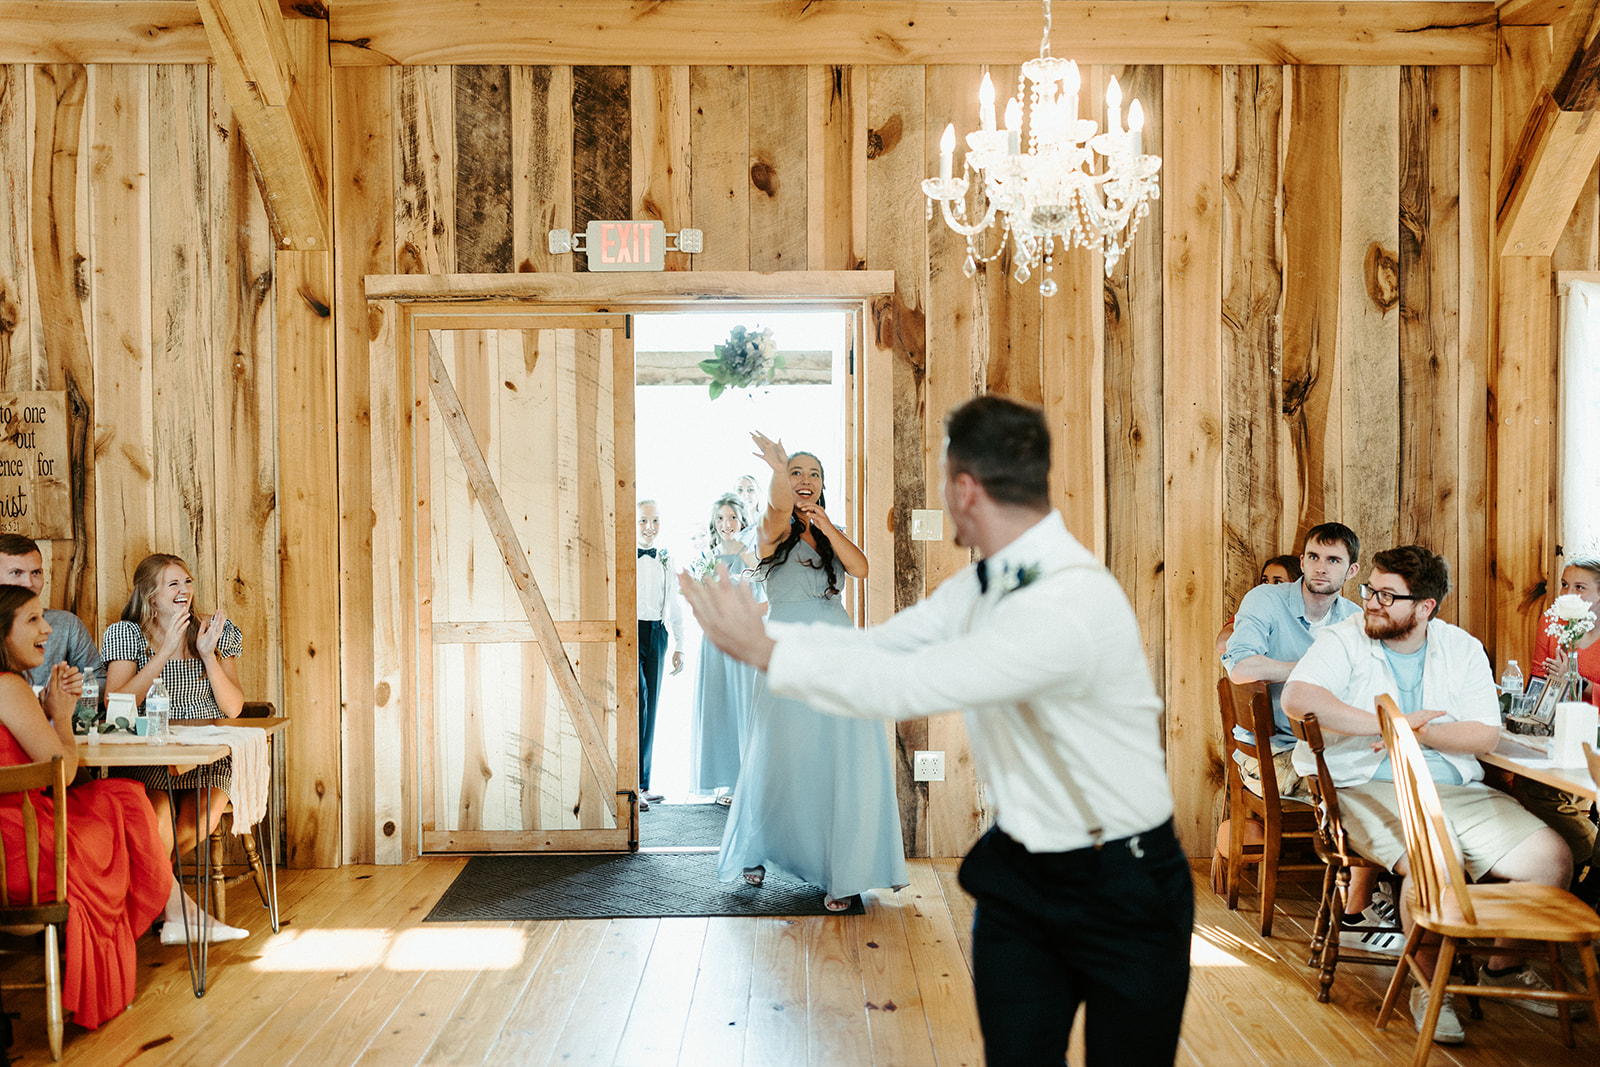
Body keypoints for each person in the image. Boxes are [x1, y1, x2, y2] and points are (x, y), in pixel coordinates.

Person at [681, 398, 1191, 1065]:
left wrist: (764, 650)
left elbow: (913, 682)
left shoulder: (1065, 601)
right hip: (1020, 870)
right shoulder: (989, 578)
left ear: (965, 488)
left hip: (1124, 883)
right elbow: (889, 645)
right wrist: (768, 641)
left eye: (946, 480)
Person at [1283, 545, 1577, 1045]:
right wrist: (1388, 723)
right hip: (1366, 785)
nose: (1371, 602)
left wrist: (1421, 733)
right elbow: (1298, 697)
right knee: (1435, 862)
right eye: (1370, 590)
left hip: (1453, 787)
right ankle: (1430, 988)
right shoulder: (1343, 638)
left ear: (1425, 607)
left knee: (1552, 859)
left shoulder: (1461, 648)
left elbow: (1484, 734)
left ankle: (1502, 967)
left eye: (1387, 596)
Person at [712, 434, 906, 913]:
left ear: (823, 484)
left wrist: (826, 525)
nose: (804, 480)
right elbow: (777, 507)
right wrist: (779, 473)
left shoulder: (830, 530)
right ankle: (758, 848)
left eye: (813, 474)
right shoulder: (771, 530)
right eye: (796, 472)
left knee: (838, 755)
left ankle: (843, 871)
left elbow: (861, 569)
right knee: (780, 751)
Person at [0, 586, 171, 1029]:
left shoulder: (15, 689)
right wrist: (61, 714)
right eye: (33, 620)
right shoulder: (7, 686)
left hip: (11, 839)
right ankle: (150, 919)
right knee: (124, 801)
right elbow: (64, 771)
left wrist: (43, 708)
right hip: (19, 855)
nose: (47, 629)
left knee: (115, 799)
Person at [102, 553, 250, 943]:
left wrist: (208, 655)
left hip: (208, 753)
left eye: (187, 582)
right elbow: (117, 706)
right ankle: (171, 911)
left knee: (195, 823)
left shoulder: (214, 631)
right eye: (173, 584)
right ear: (150, 595)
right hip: (151, 752)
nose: (184, 590)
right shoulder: (127, 634)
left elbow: (233, 708)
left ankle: (137, 899)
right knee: (159, 828)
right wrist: (164, 652)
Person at [1519, 556, 1600, 893]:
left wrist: (1580, 682)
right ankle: (1587, 862)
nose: (1569, 594)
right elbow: (1538, 674)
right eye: (1565, 585)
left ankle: (1588, 867)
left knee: (1543, 793)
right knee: (1527, 787)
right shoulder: (1552, 620)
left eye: (1580, 587)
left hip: (1594, 733)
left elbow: (1580, 684)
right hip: (1557, 725)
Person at [688, 494, 759, 806]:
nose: (726, 524)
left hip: (742, 636)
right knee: (720, 708)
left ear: (742, 521)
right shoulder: (707, 555)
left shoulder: (749, 553)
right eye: (720, 518)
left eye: (732, 517)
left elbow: (764, 588)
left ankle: (749, 781)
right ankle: (727, 781)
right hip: (715, 639)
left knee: (744, 707)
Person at [0, 533, 104, 690]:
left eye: (36, 572)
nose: (29, 583)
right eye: (16, 573)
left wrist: (74, 688)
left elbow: (99, 680)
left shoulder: (66, 623)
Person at [636, 500, 683, 811]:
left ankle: (643, 784)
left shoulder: (666, 558)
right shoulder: (624, 555)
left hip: (657, 633)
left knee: (651, 707)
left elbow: (674, 604)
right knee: (638, 701)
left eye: (655, 521)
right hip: (628, 631)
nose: (649, 527)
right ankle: (630, 783)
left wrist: (681, 644)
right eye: (643, 521)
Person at [1214, 553, 1303, 655]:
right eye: (1265, 581)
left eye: (1278, 582)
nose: (1267, 587)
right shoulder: (1253, 611)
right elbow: (1222, 644)